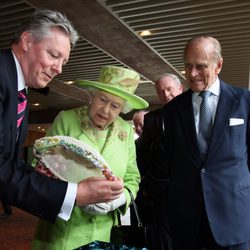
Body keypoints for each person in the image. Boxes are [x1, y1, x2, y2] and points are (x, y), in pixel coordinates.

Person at [0, 9, 124, 224]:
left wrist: (38, 177)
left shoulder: (21, 91)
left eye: (63, 62)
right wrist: (73, 193)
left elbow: (10, 162)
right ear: (27, 41)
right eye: (53, 55)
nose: (58, 69)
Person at [148, 36, 250, 250]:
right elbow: (170, 163)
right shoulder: (172, 110)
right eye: (187, 65)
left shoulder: (244, 102)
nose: (192, 74)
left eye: (201, 66)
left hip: (234, 219)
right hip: (187, 223)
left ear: (219, 65)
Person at [31, 65, 149, 250]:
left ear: (122, 109)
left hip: (103, 234)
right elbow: (42, 165)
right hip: (62, 230)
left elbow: (133, 179)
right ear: (92, 96)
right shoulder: (66, 120)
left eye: (115, 106)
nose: (106, 110)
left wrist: (119, 200)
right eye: (102, 99)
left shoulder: (126, 131)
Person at [134, 73, 183, 250]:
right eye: (161, 91)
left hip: (192, 193)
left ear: (180, 89)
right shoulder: (152, 119)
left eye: (169, 89)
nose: (166, 94)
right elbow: (141, 154)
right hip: (161, 196)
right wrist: (147, 186)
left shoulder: (197, 113)